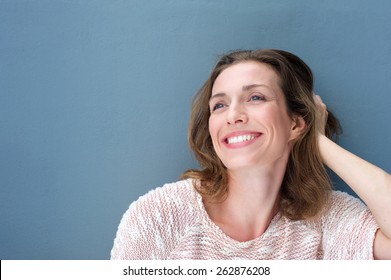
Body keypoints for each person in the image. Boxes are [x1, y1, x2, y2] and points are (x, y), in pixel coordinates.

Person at [110, 49, 391, 259]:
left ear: (295, 123)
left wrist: (315, 139)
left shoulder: (326, 218)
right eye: (219, 105)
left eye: (255, 97)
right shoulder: (161, 215)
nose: (233, 116)